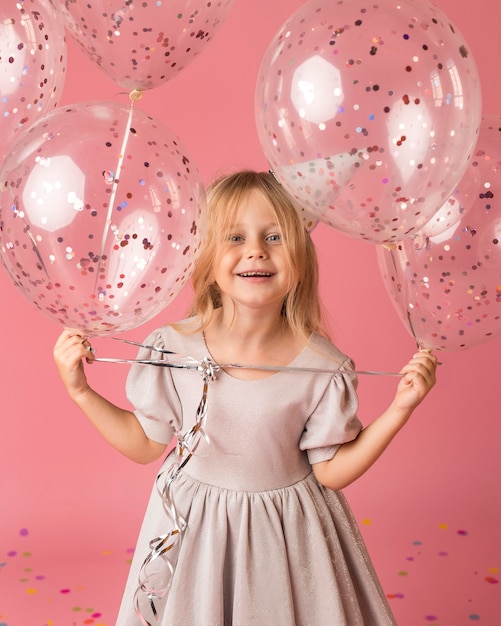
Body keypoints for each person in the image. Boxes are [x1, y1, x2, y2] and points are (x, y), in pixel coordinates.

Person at [54, 170, 437, 625]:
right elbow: (144, 443)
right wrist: (80, 391)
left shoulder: (323, 366)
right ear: (207, 255)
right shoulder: (175, 347)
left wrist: (400, 410)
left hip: (287, 535)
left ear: (301, 257)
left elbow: (332, 472)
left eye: (274, 236)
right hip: (194, 529)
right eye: (235, 236)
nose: (255, 250)